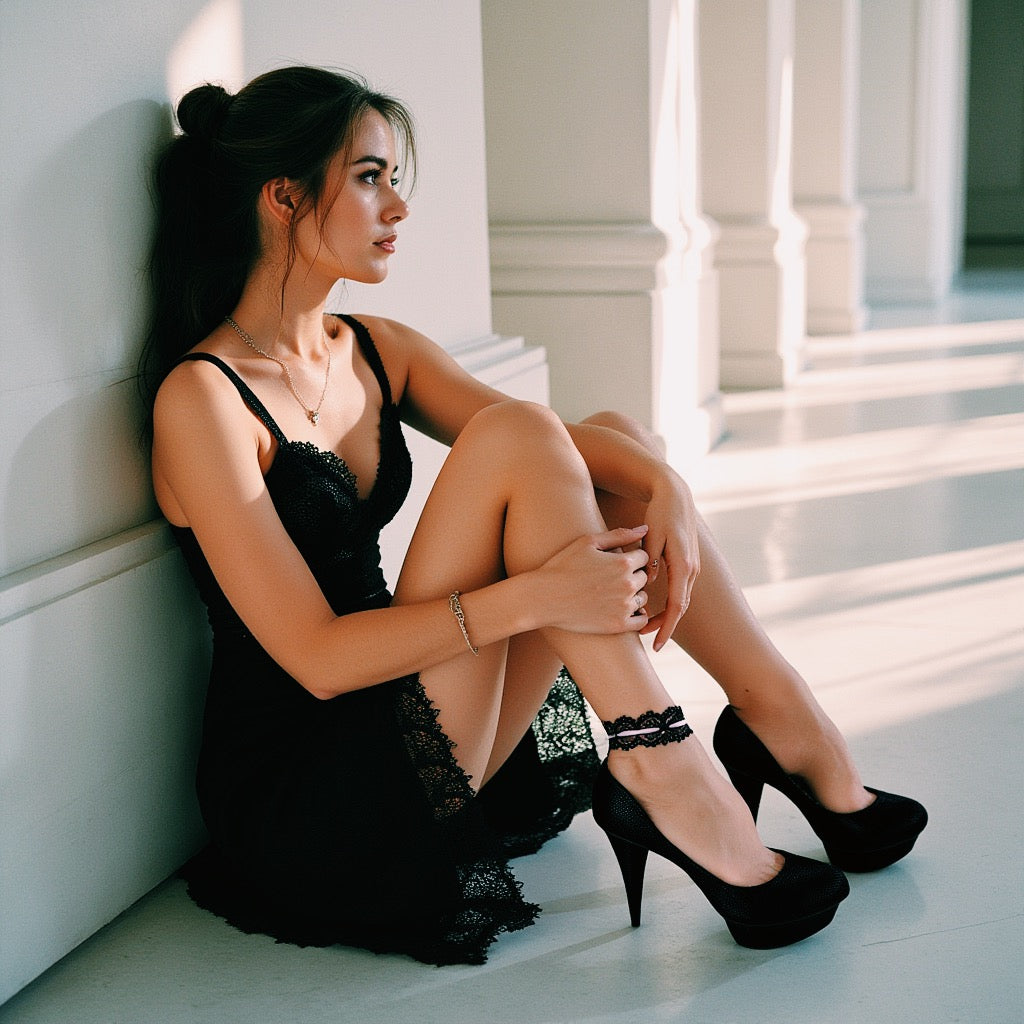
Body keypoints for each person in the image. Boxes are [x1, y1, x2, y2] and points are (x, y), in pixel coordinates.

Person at [143, 66, 926, 966]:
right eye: (369, 177)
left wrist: (666, 483)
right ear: (282, 197)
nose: (397, 206)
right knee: (522, 436)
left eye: (394, 177)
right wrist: (539, 596)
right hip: (315, 784)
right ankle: (665, 761)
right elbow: (317, 661)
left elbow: (579, 452)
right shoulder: (202, 401)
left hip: (424, 707)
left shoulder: (372, 348)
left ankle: (775, 713)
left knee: (613, 444)